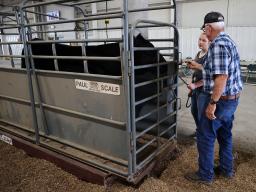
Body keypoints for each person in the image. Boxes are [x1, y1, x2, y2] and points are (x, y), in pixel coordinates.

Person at [185, 12, 243, 185]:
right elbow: (218, 72)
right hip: (232, 99)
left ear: (209, 27)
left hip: (222, 100)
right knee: (225, 134)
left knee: (206, 135)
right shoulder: (228, 40)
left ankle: (205, 175)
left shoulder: (217, 44)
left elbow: (221, 77)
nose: (205, 33)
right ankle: (226, 169)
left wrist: (212, 103)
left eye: (205, 29)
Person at [186, 33, 210, 137]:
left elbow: (211, 76)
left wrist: (195, 85)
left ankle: (204, 134)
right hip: (195, 88)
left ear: (210, 42)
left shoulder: (210, 56)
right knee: (194, 111)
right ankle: (199, 130)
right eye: (199, 39)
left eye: (203, 40)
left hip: (205, 90)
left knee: (202, 114)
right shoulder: (198, 54)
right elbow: (197, 71)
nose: (200, 42)